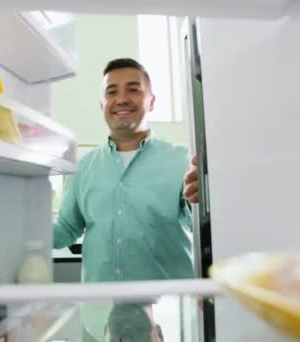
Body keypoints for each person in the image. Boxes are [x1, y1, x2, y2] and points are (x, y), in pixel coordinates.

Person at [53, 57, 200, 340]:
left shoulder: (182, 160)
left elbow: (199, 225)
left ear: (152, 101)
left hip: (170, 316)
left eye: (133, 89)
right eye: (112, 92)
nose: (121, 99)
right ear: (102, 106)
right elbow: (66, 231)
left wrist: (204, 198)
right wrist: (16, 225)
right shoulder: (83, 167)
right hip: (98, 320)